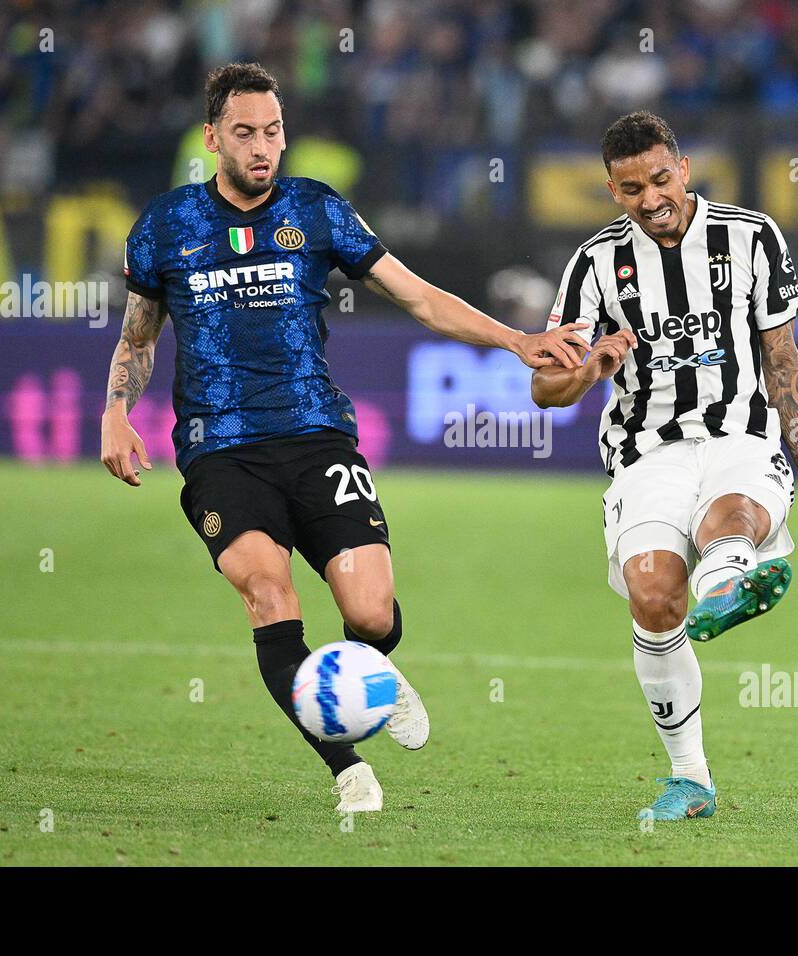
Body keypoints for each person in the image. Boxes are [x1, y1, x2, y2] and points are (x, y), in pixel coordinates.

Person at [101, 63, 587, 813]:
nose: (261, 147)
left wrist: (517, 341)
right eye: (243, 133)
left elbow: (419, 297)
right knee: (268, 594)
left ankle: (370, 674)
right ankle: (347, 770)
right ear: (212, 138)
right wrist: (115, 411)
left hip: (316, 438)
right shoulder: (166, 225)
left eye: (272, 132)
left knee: (370, 614)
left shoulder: (316, 209)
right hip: (219, 448)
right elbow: (138, 338)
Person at [531, 111, 798, 821]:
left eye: (661, 179)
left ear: (683, 169)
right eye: (632, 189)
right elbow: (544, 388)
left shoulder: (751, 237)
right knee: (653, 595)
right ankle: (691, 779)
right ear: (612, 191)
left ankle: (723, 588)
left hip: (740, 436)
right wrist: (591, 367)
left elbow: (783, 364)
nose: (651, 198)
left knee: (731, 515)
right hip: (645, 452)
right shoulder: (595, 263)